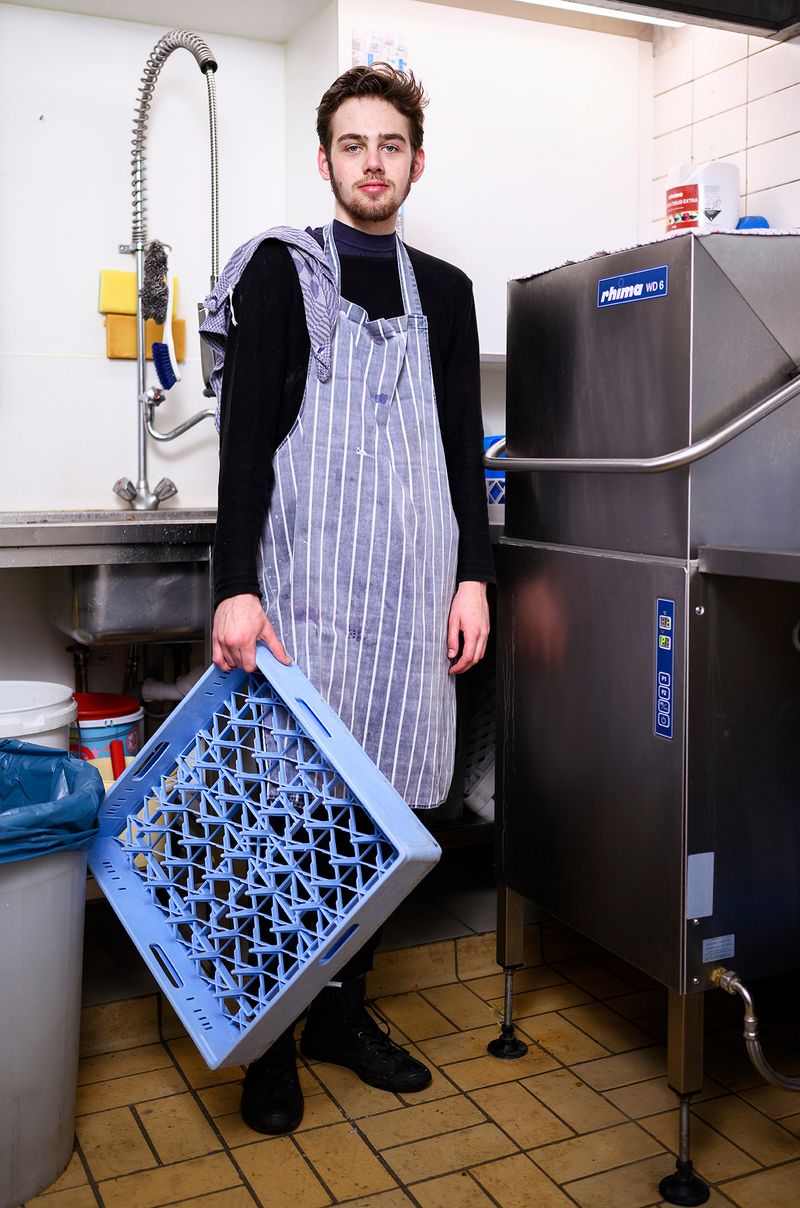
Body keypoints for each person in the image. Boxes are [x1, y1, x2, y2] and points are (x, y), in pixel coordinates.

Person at [208, 63, 494, 1135]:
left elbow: (463, 452)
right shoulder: (284, 277)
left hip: (413, 597)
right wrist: (235, 587)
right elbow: (242, 451)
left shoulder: (450, 294)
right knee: (293, 814)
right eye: (350, 144)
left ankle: (340, 1008)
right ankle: (269, 1039)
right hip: (307, 599)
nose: (371, 162)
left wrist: (474, 575)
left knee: (397, 815)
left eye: (389, 145)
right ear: (325, 159)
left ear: (414, 162)